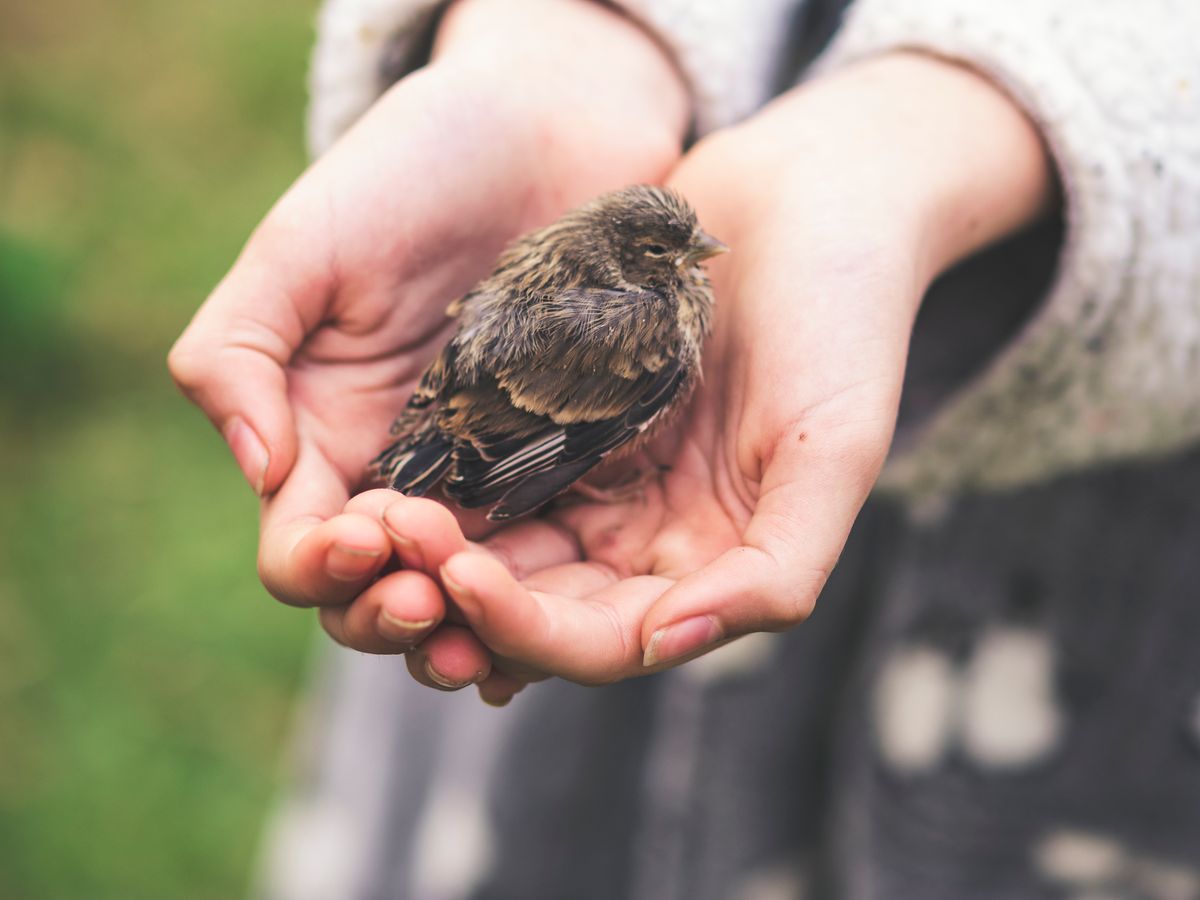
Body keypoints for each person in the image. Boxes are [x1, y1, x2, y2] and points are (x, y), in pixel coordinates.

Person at [169, 0, 1200, 897]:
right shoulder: (646, 330)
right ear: (634, 250)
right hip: (506, 428)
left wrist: (915, 145)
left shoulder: (604, 281)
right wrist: (570, 28)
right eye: (672, 251)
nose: (698, 259)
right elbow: (567, 428)